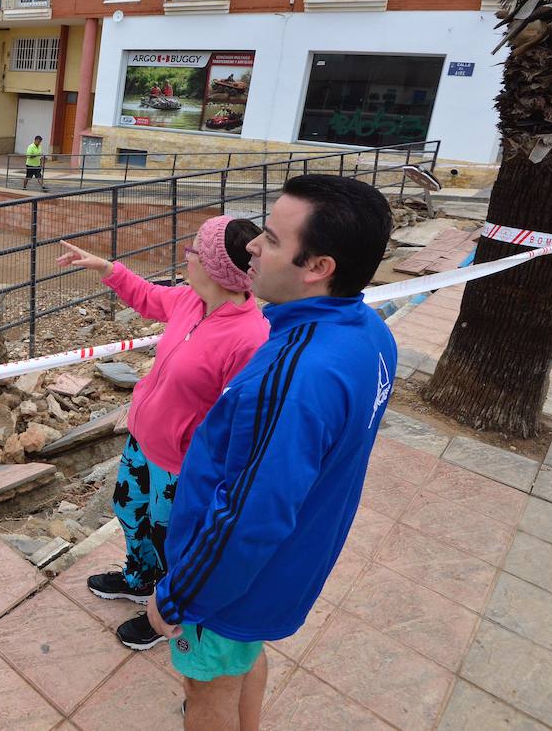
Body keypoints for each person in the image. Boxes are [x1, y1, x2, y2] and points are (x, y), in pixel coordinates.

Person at [145, 174, 396, 730]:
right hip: (281, 571)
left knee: (206, 690)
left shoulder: (295, 374)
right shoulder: (369, 332)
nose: (253, 245)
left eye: (274, 240)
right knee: (241, 662)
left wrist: (178, 596)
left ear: (319, 267)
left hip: (231, 585)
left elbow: (250, 515)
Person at [55, 215, 268, 651]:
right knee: (129, 511)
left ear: (213, 267)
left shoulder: (249, 337)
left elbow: (237, 422)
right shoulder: (191, 300)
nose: (186, 254)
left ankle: (165, 614)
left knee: (171, 539)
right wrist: (106, 269)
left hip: (183, 464)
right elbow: (150, 298)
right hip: (144, 441)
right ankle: (138, 579)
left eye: (195, 249)